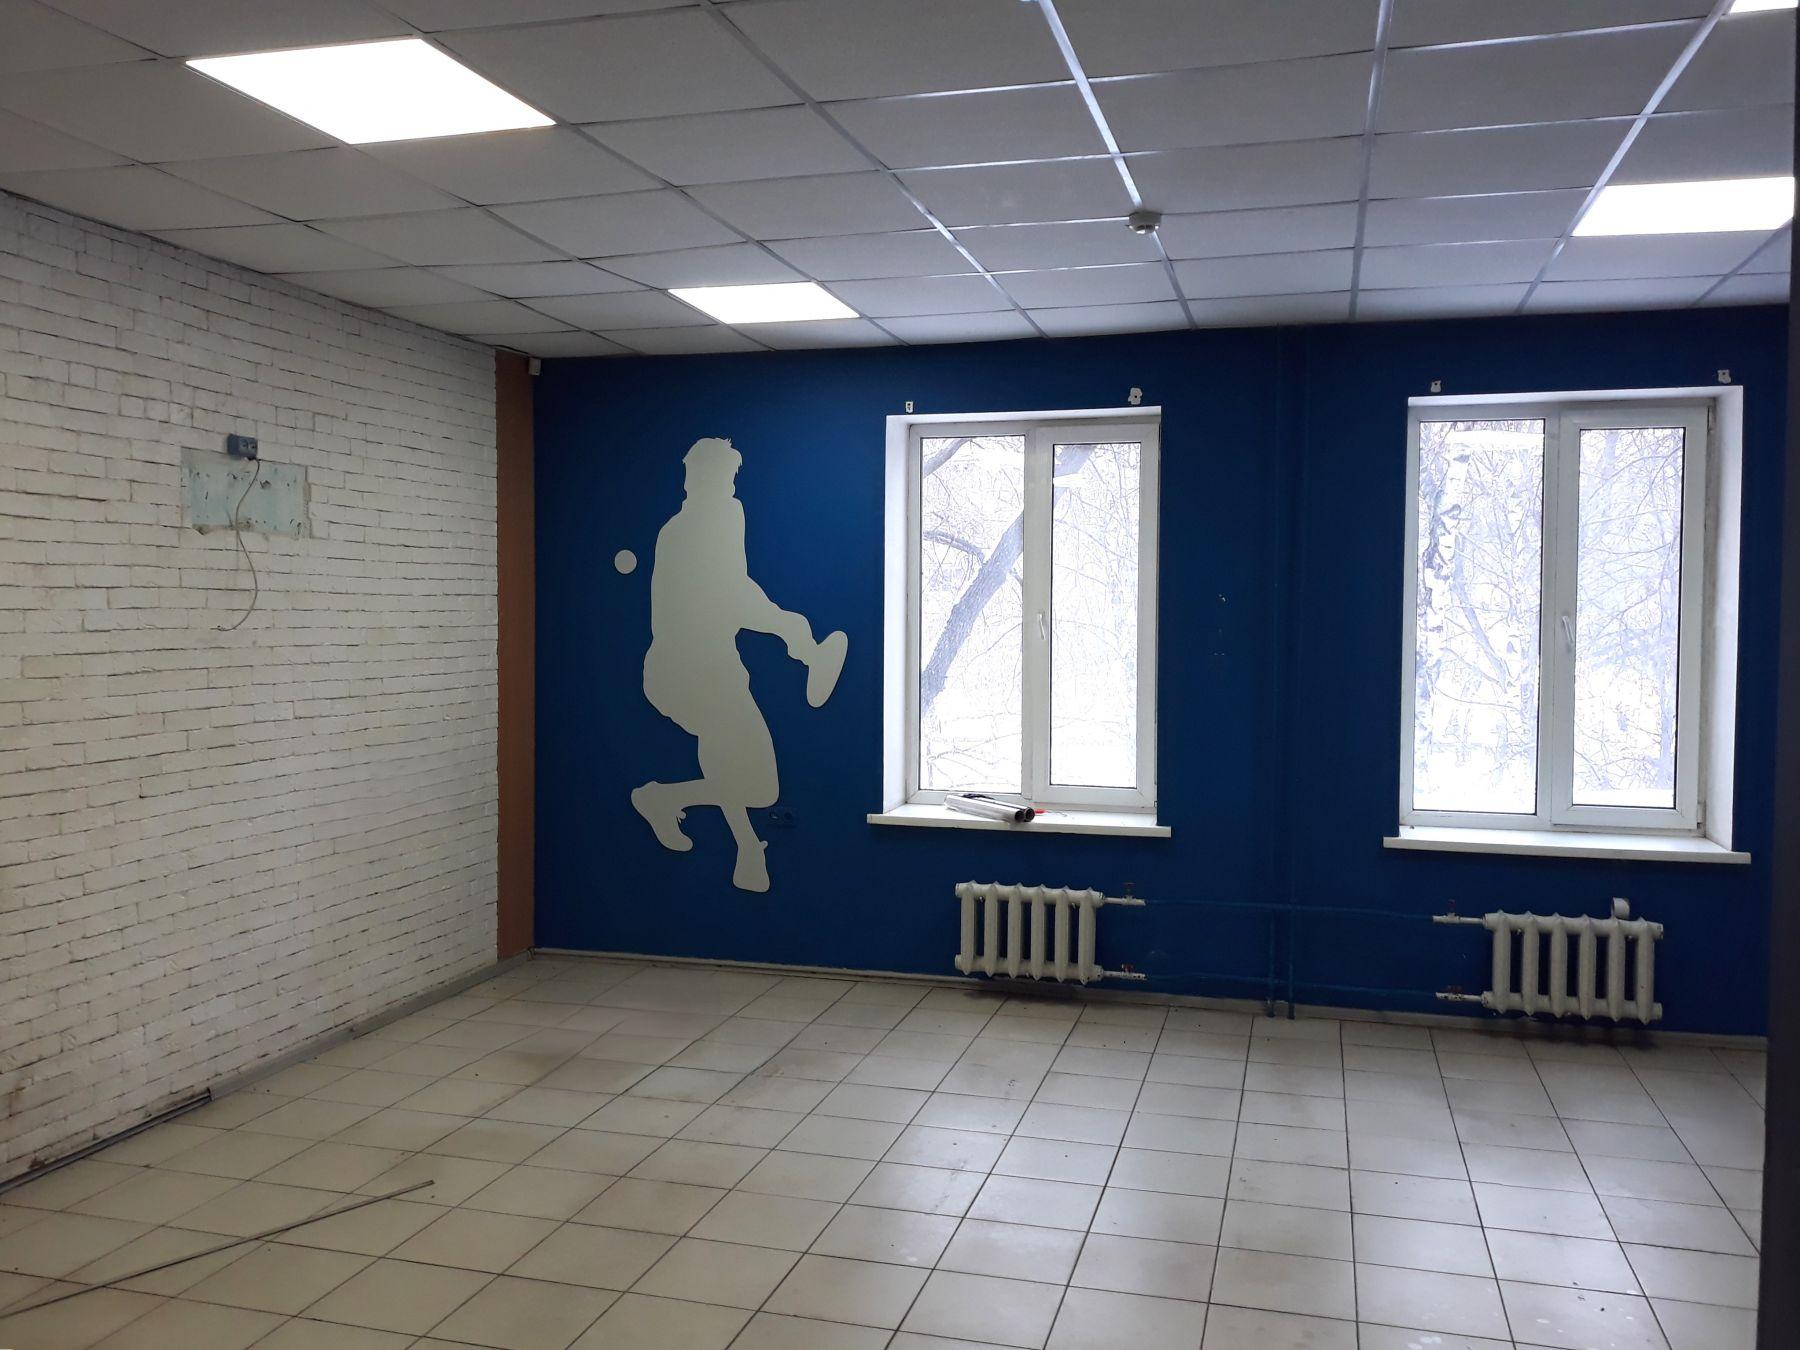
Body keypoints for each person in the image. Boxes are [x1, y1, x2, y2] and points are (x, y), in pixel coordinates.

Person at [631, 437, 847, 892]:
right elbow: (731, 596)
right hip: (688, 673)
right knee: (759, 786)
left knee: (734, 765)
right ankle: (664, 800)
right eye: (725, 478)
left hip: (702, 671)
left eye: (732, 479)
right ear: (697, 479)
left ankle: (744, 849)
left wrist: (788, 629)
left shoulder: (707, 519)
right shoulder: (695, 528)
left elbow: (734, 591)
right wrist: (791, 629)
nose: (731, 487)